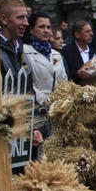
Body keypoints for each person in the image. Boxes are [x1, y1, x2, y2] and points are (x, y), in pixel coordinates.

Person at [22, 11, 67, 158]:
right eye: (41, 27)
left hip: (57, 109)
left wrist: (62, 100)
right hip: (37, 108)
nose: (46, 30)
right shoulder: (25, 52)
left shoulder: (56, 54)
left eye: (48, 27)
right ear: (31, 29)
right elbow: (29, 83)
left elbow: (64, 80)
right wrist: (47, 101)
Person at [61, 20, 96, 85]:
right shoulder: (66, 51)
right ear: (77, 35)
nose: (91, 34)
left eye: (91, 31)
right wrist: (77, 74)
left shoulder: (94, 52)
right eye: (87, 31)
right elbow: (63, 75)